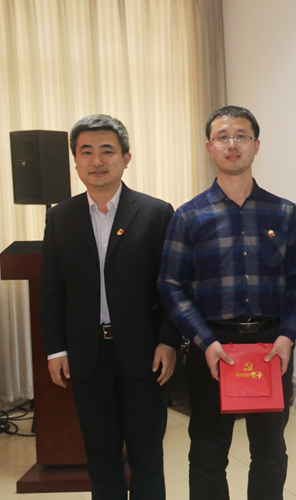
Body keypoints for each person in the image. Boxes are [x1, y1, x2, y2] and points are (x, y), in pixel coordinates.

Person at [157, 106, 296, 500]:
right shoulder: (188, 216)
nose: (232, 144)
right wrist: (205, 341)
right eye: (223, 137)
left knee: (270, 452)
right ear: (209, 147)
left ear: (256, 145)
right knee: (208, 454)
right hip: (212, 348)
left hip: (270, 348)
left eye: (241, 136)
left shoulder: (284, 212)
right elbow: (171, 286)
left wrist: (287, 337)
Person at [40, 114, 179, 499]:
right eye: (86, 152)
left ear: (126, 158)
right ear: (75, 161)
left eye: (107, 151)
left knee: (147, 457)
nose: (97, 161)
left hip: (145, 355)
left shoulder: (156, 213)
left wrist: (169, 340)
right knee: (101, 460)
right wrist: (55, 350)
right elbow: (51, 290)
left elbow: (173, 286)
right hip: (87, 356)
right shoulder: (60, 217)